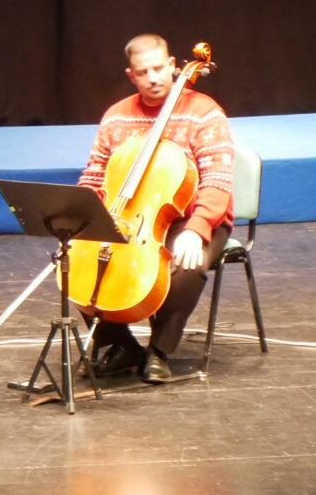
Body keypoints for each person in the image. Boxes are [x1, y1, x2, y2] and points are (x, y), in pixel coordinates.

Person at [77, 33, 234, 382]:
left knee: (187, 266)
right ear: (131, 75)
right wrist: (82, 217)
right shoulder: (116, 117)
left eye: (159, 68)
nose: (152, 78)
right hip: (133, 216)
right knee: (80, 262)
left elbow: (218, 180)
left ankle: (160, 350)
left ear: (173, 66)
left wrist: (197, 229)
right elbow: (95, 175)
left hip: (194, 216)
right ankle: (120, 346)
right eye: (143, 72)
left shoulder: (204, 113)